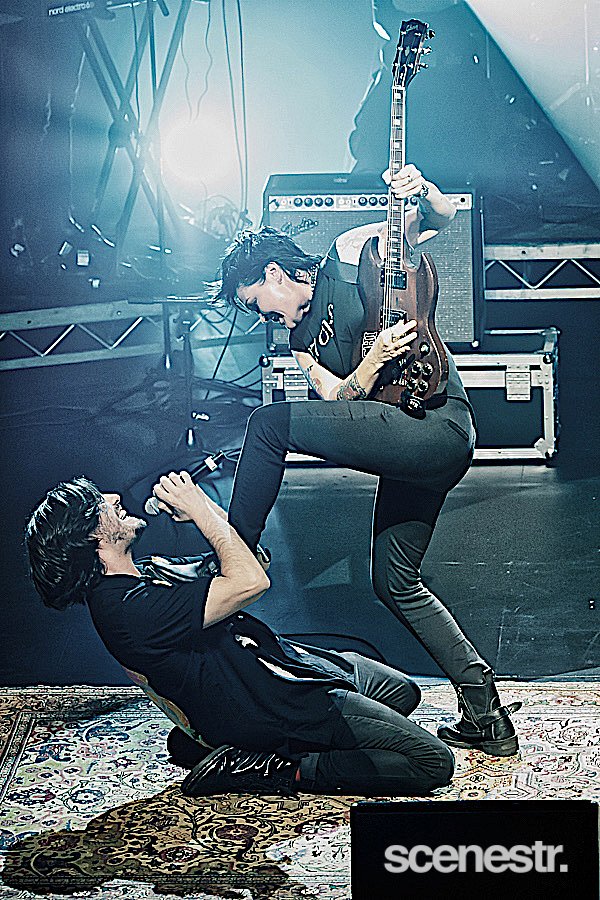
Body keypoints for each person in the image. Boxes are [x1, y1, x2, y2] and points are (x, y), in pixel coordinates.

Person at [216, 163, 521, 757]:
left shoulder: (351, 253)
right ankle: (487, 715)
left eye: (259, 304)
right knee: (394, 581)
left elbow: (438, 220)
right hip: (406, 444)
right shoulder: (299, 343)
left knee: (267, 426)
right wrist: (372, 361)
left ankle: (234, 555)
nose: (264, 319)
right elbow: (339, 400)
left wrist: (424, 192)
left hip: (438, 424)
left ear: (275, 272)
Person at [25, 471, 455, 797]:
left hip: (280, 665)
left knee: (404, 693)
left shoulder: (144, 575)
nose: (115, 498)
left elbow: (248, 562)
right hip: (273, 703)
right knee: (432, 763)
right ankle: (276, 767)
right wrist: (199, 511)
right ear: (90, 535)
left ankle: (217, 746)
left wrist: (208, 512)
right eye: (100, 503)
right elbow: (251, 583)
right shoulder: (126, 611)